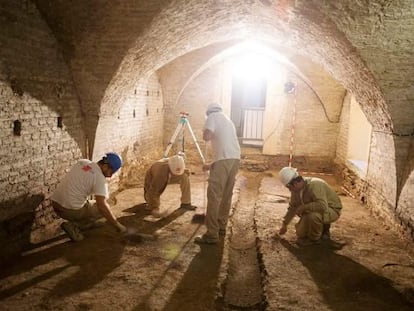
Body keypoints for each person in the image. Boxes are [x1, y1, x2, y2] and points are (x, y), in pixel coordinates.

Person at [51, 152, 127, 242]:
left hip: (55, 203)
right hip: (69, 210)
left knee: (91, 203)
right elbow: (102, 206)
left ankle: (87, 222)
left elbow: (84, 177)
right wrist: (117, 225)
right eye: (111, 172)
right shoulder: (100, 179)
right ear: (105, 166)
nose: (110, 176)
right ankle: (76, 226)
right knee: (104, 207)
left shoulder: (83, 162)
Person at [194, 103, 241, 245]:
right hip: (235, 159)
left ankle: (211, 234)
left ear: (208, 112)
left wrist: (204, 133)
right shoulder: (227, 120)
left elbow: (207, 136)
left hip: (224, 160)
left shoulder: (212, 117)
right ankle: (221, 227)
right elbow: (225, 151)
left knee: (214, 196)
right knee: (226, 195)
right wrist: (210, 165)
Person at [277, 167, 342, 245]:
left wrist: (304, 207)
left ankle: (316, 239)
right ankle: (320, 228)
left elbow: (322, 206)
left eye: (289, 187)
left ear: (295, 183)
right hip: (314, 210)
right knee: (300, 233)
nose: (290, 190)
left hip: (331, 209)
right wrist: (285, 224)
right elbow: (292, 207)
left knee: (313, 216)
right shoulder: (296, 190)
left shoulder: (315, 185)